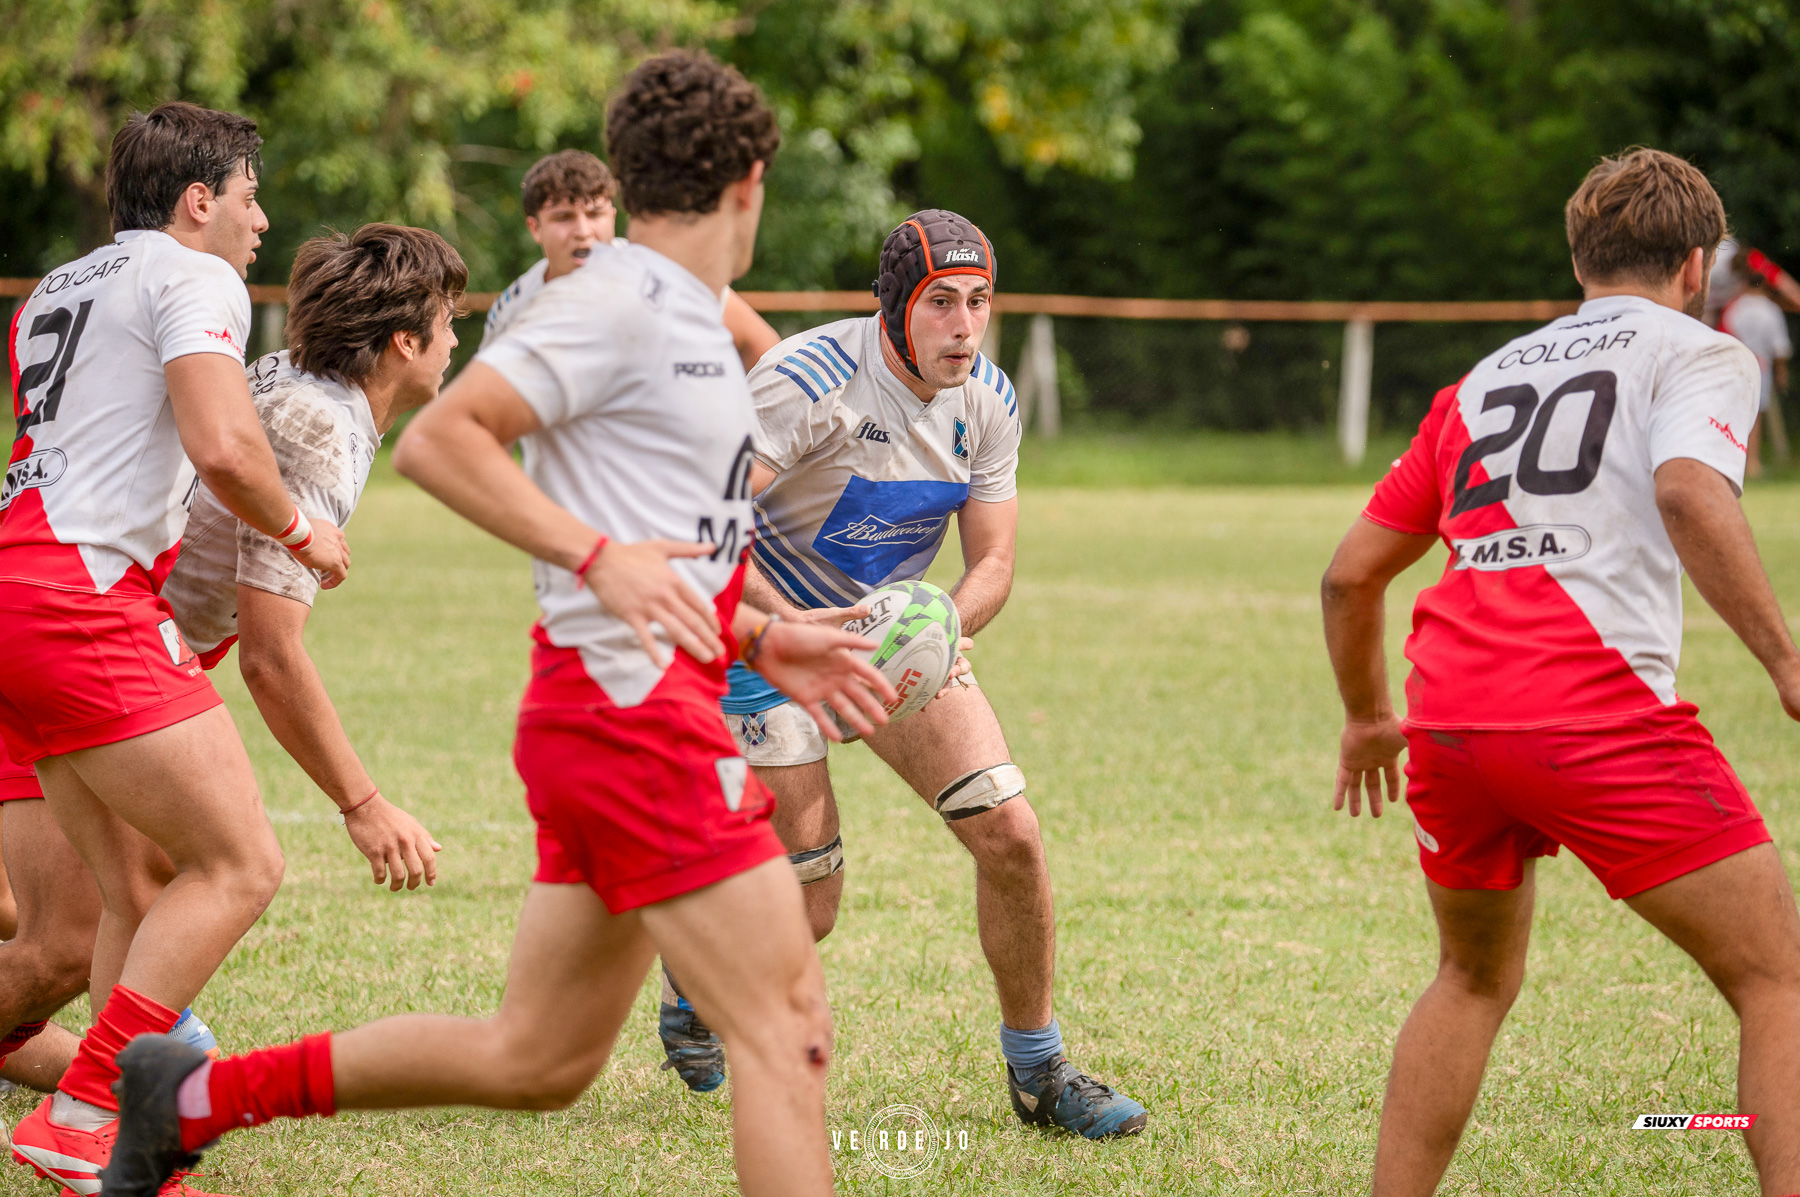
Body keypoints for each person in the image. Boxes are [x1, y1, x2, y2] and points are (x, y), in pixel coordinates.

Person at [102, 51, 896, 1197]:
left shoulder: (682, 318)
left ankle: (194, 1099)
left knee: (539, 1059)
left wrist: (765, 640)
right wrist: (592, 555)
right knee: (789, 1028)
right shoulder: (619, 300)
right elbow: (446, 441)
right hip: (630, 726)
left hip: (620, 711)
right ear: (752, 183)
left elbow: (656, 545)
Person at [1322, 147, 1800, 1196]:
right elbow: (1689, 494)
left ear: (1580, 262)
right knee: (1778, 979)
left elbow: (1350, 578)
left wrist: (1367, 718)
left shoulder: (1483, 381)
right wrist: (1785, 659)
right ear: (1695, 264)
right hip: (1592, 716)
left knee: (1470, 978)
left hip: (1449, 719)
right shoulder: (1703, 350)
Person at [654, 208, 1148, 1140]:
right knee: (813, 900)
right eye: (942, 305)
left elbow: (994, 562)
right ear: (894, 309)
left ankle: (1039, 1072)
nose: (965, 327)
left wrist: (937, 627)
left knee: (1012, 833)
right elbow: (699, 521)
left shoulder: (989, 399)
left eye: (979, 303)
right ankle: (695, 970)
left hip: (892, 631)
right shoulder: (808, 380)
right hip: (764, 634)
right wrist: (795, 628)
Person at [0, 100, 353, 1196]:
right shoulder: (194, 275)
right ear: (200, 200)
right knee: (242, 862)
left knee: (133, 892)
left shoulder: (60, 283)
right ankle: (89, 1109)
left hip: (18, 581)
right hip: (82, 595)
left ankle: (110, 1134)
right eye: (250, 195)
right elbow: (222, 443)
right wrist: (304, 531)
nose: (261, 220)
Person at [483, 147, 781, 370]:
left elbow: (763, 348)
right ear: (535, 228)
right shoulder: (513, 308)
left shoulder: (660, 272)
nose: (583, 231)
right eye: (564, 218)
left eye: (594, 214)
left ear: (613, 216)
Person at [1722, 251, 1793, 475]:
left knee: (1733, 414)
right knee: (1756, 416)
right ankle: (1752, 462)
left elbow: (1724, 334)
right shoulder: (1770, 310)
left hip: (1734, 363)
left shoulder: (1734, 307)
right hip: (1761, 366)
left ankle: (1733, 459)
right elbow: (1780, 347)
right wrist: (1782, 372)